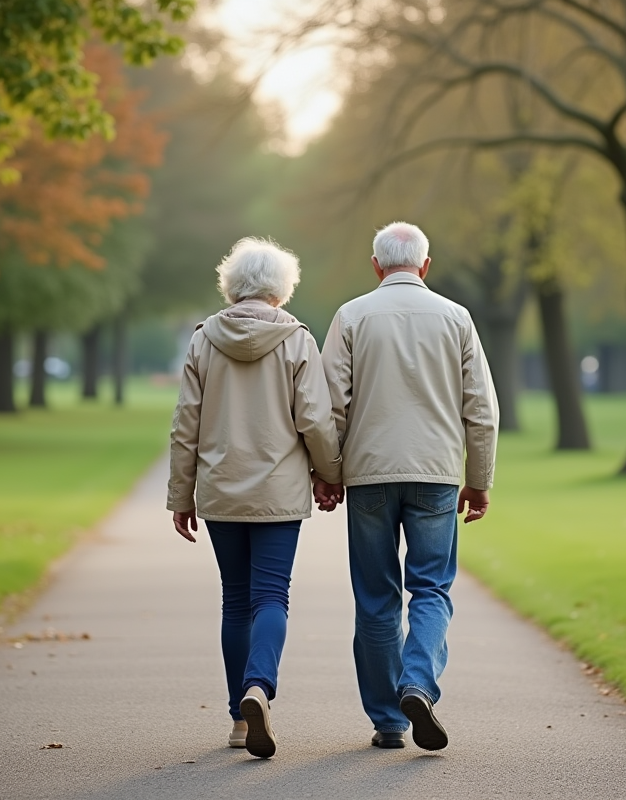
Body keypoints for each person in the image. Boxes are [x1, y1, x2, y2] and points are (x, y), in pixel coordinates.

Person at [319, 221, 499, 751]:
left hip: (370, 473)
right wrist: (480, 481)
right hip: (436, 473)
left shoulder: (351, 316)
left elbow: (330, 405)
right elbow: (481, 411)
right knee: (432, 588)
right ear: (425, 265)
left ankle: (388, 721)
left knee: (376, 597)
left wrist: (328, 475)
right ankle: (417, 682)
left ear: (377, 265)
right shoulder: (456, 318)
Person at [167, 237, 343, 759]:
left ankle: (239, 722)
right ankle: (259, 688)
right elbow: (314, 418)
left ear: (232, 284)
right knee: (271, 595)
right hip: (278, 492)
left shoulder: (204, 340)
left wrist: (182, 495)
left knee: (234, 599)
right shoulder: (297, 340)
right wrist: (329, 473)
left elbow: (186, 425)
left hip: (221, 489)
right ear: (281, 289)